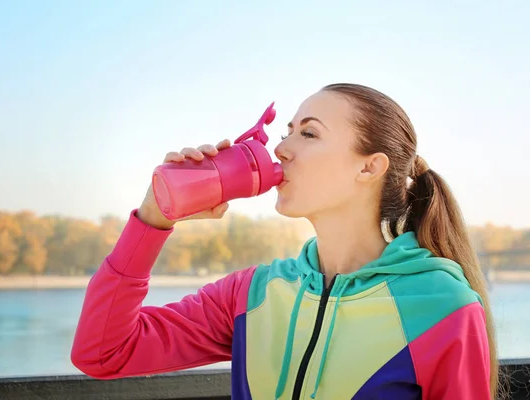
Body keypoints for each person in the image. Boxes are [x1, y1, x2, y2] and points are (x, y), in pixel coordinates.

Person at [71, 83, 498, 399]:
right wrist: (153, 218)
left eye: (308, 134)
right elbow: (103, 351)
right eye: (285, 132)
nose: (281, 151)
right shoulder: (250, 295)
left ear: (369, 168)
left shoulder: (442, 305)